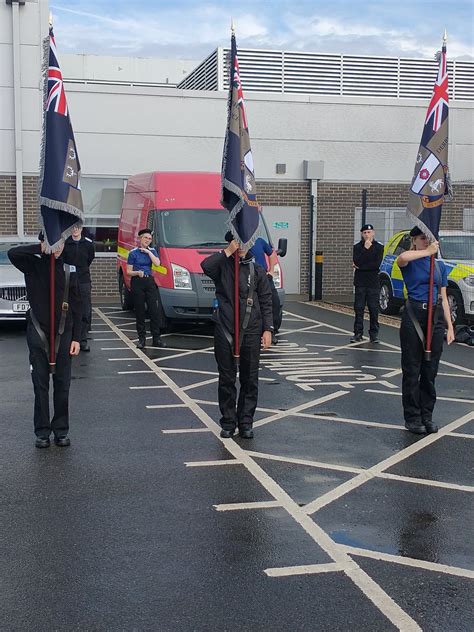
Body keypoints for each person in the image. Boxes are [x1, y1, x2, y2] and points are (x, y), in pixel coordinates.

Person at [8, 234, 82, 448]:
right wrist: (41, 248)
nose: (58, 247)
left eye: (60, 243)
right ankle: (42, 432)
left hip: (63, 333)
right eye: (53, 242)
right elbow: (13, 253)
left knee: (63, 384)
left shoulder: (69, 269)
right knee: (40, 384)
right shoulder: (32, 264)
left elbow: (78, 306)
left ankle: (61, 430)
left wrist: (77, 337)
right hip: (38, 330)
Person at [201, 232, 273, 439]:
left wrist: (268, 329)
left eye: (244, 242)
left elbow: (266, 300)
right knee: (227, 378)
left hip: (251, 329)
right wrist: (228, 251)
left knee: (250, 378)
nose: (241, 246)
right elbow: (206, 266)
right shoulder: (222, 266)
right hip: (226, 328)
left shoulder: (257, 270)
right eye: (236, 242)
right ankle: (228, 422)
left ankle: (246, 421)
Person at [397, 226, 455, 434]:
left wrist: (450, 326)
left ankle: (426, 415)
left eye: (429, 239)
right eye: (423, 238)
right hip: (415, 315)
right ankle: (412, 417)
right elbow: (401, 258)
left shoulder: (438, 266)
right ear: (414, 240)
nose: (427, 242)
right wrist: (427, 251)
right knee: (412, 369)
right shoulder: (411, 260)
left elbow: (444, 297)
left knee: (430, 371)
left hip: (435, 316)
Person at [127, 228, 166, 349]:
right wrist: (137, 272)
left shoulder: (152, 251)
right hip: (137, 281)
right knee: (140, 312)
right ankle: (142, 339)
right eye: (145, 238)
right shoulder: (133, 253)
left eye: (150, 239)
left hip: (149, 281)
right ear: (140, 238)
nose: (148, 240)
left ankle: (156, 338)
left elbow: (157, 263)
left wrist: (148, 252)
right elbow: (128, 271)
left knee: (154, 311)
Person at [64, 224, 95, 352]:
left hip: (83, 281)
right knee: (70, 310)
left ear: (82, 229)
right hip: (69, 280)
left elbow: (90, 259)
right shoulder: (66, 243)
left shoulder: (88, 244)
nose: (75, 230)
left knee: (85, 311)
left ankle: (82, 340)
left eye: (78, 227)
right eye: (73, 227)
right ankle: (71, 339)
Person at [351, 224, 384, 343]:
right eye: (364, 233)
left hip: (373, 282)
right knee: (359, 308)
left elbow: (376, 264)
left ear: (373, 233)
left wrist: (361, 265)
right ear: (361, 234)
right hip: (360, 281)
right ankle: (357, 333)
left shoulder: (379, 247)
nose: (367, 235)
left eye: (369, 232)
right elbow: (357, 261)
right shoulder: (357, 247)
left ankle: (374, 334)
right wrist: (365, 249)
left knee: (373, 309)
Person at [250, 236, 281, 344]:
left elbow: (272, 254)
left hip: (265, 277)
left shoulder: (260, 241)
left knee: (274, 303)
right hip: (250, 279)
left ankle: (272, 332)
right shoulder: (241, 243)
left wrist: (271, 270)